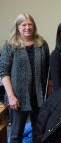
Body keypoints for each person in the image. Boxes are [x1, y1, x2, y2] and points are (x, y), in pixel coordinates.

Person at [0, 13, 49, 143]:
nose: (27, 27)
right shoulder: (10, 45)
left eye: (30, 24)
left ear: (34, 26)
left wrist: (48, 93)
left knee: (38, 132)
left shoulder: (42, 44)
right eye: (24, 25)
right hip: (17, 97)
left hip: (38, 97)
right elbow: (3, 71)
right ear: (18, 27)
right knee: (16, 134)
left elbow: (47, 70)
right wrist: (11, 96)